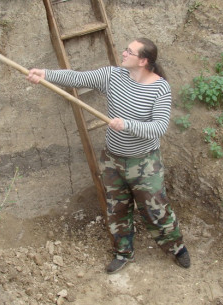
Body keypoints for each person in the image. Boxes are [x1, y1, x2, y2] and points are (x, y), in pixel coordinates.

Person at [26, 37, 190, 274]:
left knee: (156, 209)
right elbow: (77, 78)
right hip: (112, 160)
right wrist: (44, 74)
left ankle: (177, 248)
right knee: (117, 209)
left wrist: (128, 124)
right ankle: (124, 253)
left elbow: (159, 127)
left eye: (129, 52)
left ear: (143, 61)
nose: (123, 53)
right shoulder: (112, 75)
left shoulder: (160, 88)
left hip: (144, 163)